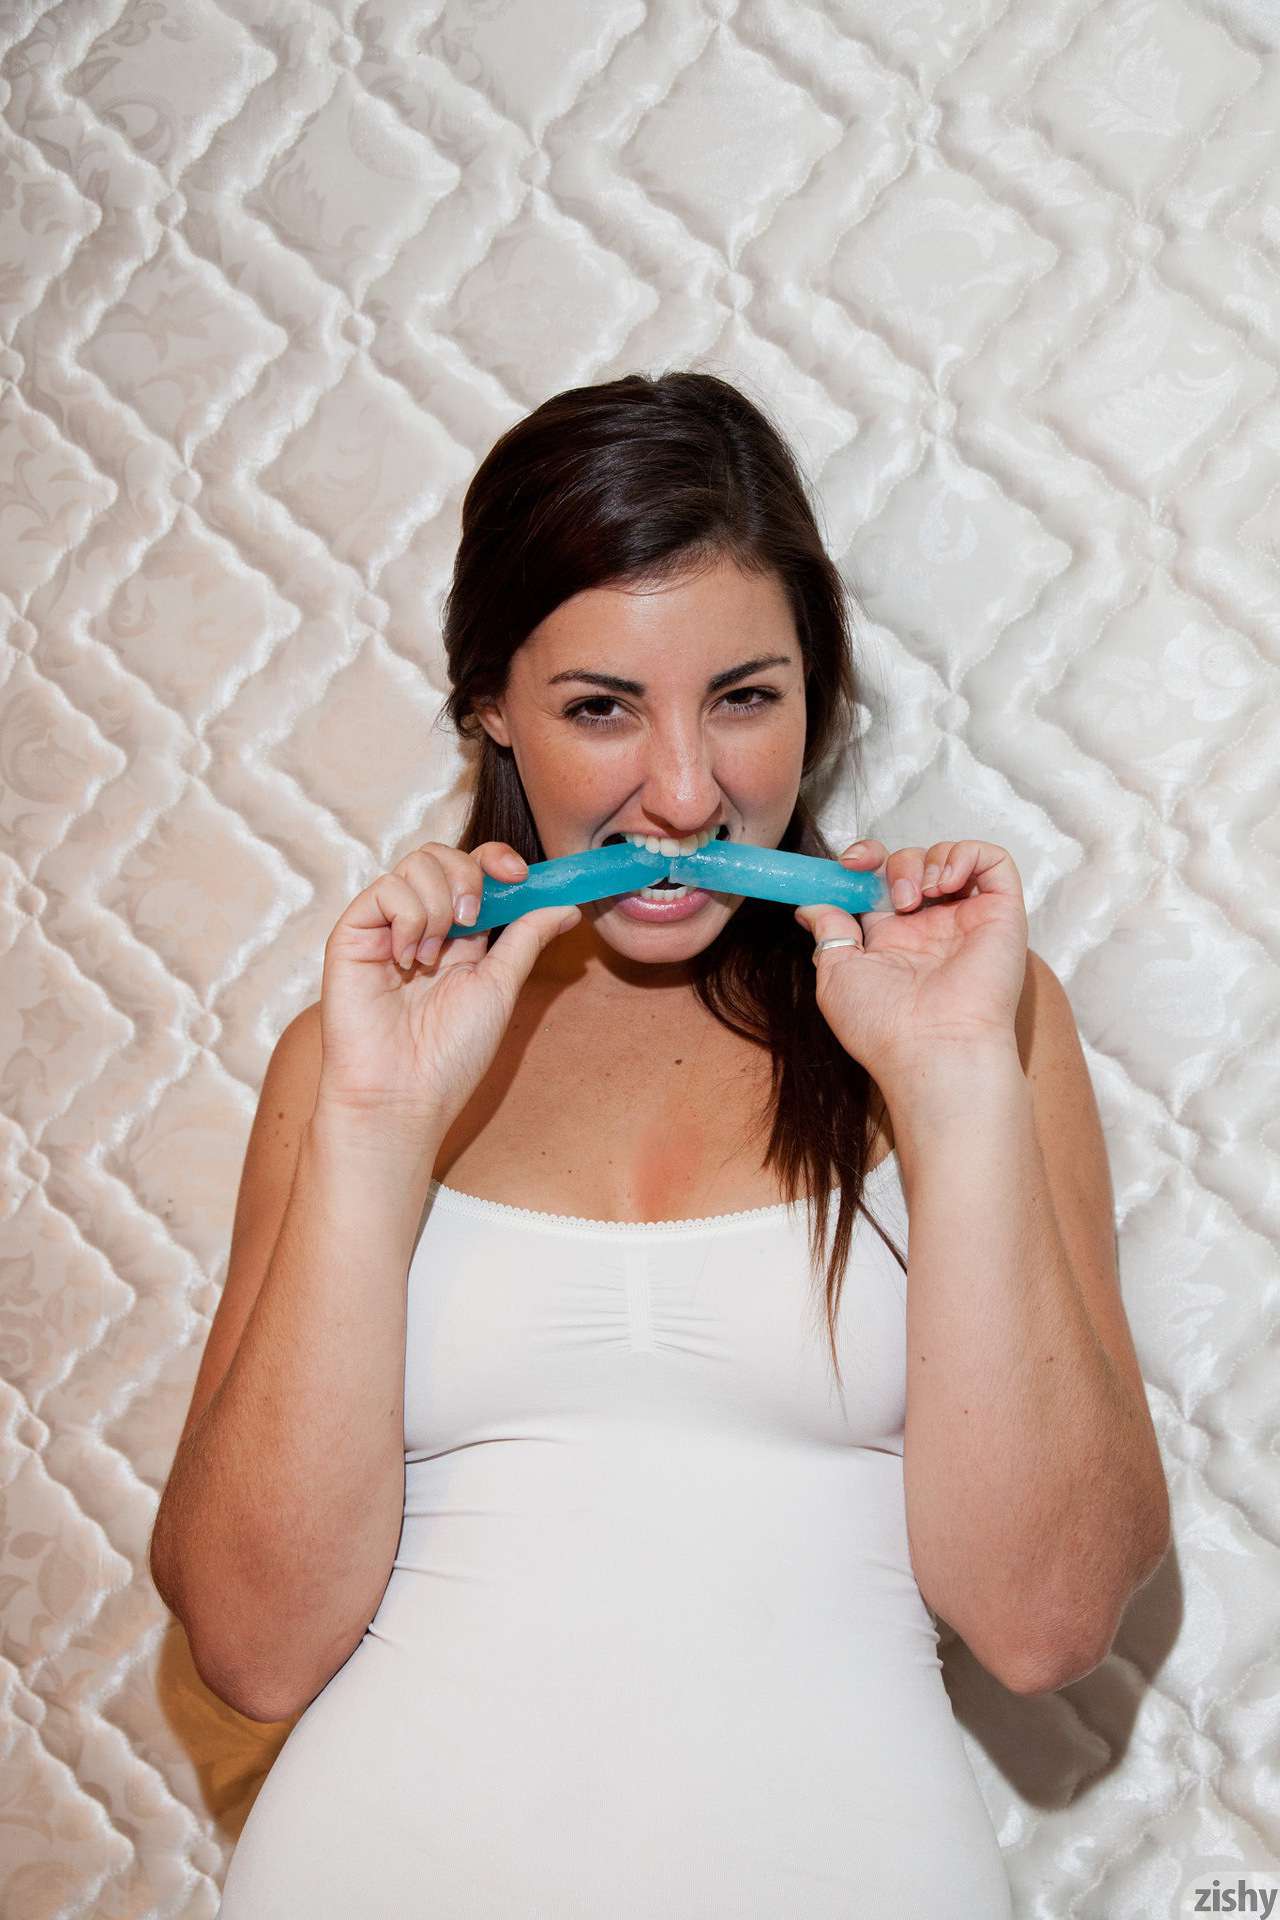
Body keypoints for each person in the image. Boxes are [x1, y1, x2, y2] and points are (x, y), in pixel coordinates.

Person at [151, 370, 1019, 1915]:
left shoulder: (965, 1013)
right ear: (491, 704)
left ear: (817, 693)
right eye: (600, 707)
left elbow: (1046, 1619)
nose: (683, 792)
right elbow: (251, 1649)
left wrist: (954, 1087)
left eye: (744, 697)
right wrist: (374, 1125)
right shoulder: (357, 1053)